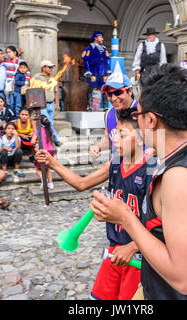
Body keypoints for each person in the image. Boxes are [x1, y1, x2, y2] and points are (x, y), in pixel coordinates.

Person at [90, 64, 187, 300]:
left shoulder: (180, 176)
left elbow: (182, 279)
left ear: (151, 120)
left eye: (139, 114)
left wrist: (125, 217)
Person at [37, 107, 154, 300]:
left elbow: (162, 223)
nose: (115, 139)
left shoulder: (152, 171)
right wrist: (53, 162)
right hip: (114, 252)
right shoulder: (116, 163)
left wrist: (133, 246)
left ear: (142, 138)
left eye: (123, 134)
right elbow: (82, 183)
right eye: (115, 133)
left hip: (139, 259)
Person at [88, 73, 138, 161]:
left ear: (130, 91)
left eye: (118, 92)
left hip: (139, 169)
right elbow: (108, 137)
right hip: (117, 167)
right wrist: (97, 147)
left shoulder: (142, 112)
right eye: (109, 94)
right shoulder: (108, 114)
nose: (114, 98)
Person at [29, 60, 61, 146]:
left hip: (51, 104)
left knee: (51, 122)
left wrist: (56, 103)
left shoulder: (52, 79)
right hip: (42, 104)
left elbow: (56, 92)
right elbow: (32, 90)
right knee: (48, 122)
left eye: (52, 67)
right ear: (43, 67)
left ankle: (49, 140)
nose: (51, 69)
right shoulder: (37, 77)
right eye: (49, 67)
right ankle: (55, 139)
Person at [82, 31, 111, 111]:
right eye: (101, 37)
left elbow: (106, 61)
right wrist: (88, 71)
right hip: (93, 72)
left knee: (104, 89)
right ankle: (90, 105)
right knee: (91, 88)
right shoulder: (89, 48)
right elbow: (86, 60)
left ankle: (105, 106)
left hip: (103, 72)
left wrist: (108, 70)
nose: (102, 39)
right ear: (96, 37)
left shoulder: (104, 48)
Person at [31, 115, 55, 189]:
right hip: (50, 150)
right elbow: (52, 140)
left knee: (38, 169)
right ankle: (51, 183)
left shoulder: (37, 131)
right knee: (47, 168)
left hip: (42, 150)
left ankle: (44, 181)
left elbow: (32, 142)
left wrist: (35, 146)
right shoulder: (49, 130)